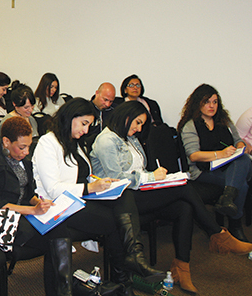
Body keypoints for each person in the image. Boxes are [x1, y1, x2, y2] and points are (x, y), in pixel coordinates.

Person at [90, 101, 252, 293]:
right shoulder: (107, 140)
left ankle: (182, 269)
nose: (139, 128)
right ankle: (217, 234)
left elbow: (140, 170)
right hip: (120, 199)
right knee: (184, 189)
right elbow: (116, 178)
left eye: (142, 124)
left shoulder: (129, 138)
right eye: (137, 122)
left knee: (185, 206)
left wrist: (157, 177)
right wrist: (151, 177)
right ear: (125, 116)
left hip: (138, 192)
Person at [33, 98, 164, 287]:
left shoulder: (74, 142)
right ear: (70, 117)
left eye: (89, 125)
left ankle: (132, 262)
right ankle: (125, 278)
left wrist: (100, 183)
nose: (86, 131)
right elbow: (53, 189)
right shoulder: (48, 143)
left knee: (123, 194)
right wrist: (89, 188)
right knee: (115, 222)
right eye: (84, 124)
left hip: (80, 198)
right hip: (58, 205)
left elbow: (83, 176)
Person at [0, 116, 72, 296]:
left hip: (21, 212)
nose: (26, 152)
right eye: (22, 147)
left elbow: (29, 192)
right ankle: (63, 290)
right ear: (6, 142)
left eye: (29, 146)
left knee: (58, 228)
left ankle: (63, 289)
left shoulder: (24, 158)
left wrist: (38, 203)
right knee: (54, 239)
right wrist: (32, 210)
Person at [178, 84, 252, 242]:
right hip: (203, 171)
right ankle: (235, 225)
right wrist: (220, 154)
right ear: (198, 103)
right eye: (207, 102)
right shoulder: (190, 125)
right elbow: (193, 156)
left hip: (227, 167)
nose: (212, 106)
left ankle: (227, 198)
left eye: (215, 102)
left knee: (244, 158)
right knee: (243, 185)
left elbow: (238, 140)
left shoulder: (223, 120)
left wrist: (240, 147)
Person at [82, 82, 117, 152]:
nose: (107, 104)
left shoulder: (116, 111)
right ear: (97, 93)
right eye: (105, 100)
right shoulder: (84, 110)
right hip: (88, 149)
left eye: (111, 101)